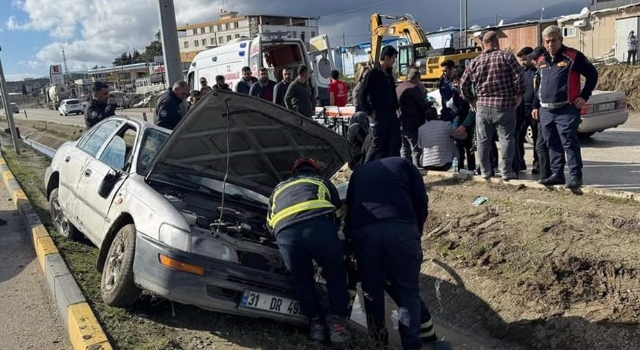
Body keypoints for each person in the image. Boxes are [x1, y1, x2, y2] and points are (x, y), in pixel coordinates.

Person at [344, 157, 450, 350]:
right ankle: (411, 345)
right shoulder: (404, 164)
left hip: (366, 233)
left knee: (372, 291)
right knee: (407, 291)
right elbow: (420, 199)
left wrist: (352, 242)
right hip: (402, 231)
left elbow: (350, 209)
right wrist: (415, 230)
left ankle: (377, 343)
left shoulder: (357, 173)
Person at [266, 158, 351, 345]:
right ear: (316, 170)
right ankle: (337, 326)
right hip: (319, 229)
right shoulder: (322, 182)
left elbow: (270, 222)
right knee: (335, 275)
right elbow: (337, 213)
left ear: (294, 172)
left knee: (302, 281)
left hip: (287, 235)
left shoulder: (279, 188)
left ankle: (316, 327)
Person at [531, 25, 598, 189]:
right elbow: (538, 84)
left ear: (561, 39)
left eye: (553, 40)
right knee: (551, 143)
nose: (550, 44)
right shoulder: (541, 60)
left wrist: (584, 96)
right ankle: (557, 174)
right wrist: (535, 105)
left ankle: (575, 176)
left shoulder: (573, 56)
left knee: (569, 142)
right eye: (547, 41)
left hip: (566, 109)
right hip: (545, 109)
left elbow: (592, 74)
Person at [460, 31, 525, 181]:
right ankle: (506, 171)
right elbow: (519, 76)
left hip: (482, 106)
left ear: (483, 44)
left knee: (483, 140)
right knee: (506, 139)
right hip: (505, 104)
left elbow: (463, 84)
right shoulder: (506, 57)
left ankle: (485, 171)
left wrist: (471, 100)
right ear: (497, 42)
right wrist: (518, 94)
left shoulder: (475, 61)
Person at [357, 45, 401, 163]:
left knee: (393, 144)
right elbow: (361, 95)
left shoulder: (389, 76)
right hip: (379, 116)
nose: (393, 62)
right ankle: (366, 170)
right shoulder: (372, 75)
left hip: (391, 116)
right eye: (393, 59)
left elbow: (392, 93)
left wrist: (397, 108)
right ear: (386, 57)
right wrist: (370, 112)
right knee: (377, 145)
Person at [514, 47, 541, 174]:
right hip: (521, 109)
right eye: (521, 60)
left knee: (537, 138)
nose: (523, 62)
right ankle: (520, 162)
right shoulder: (520, 72)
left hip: (535, 109)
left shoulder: (538, 71)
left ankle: (537, 164)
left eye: (525, 59)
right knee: (518, 137)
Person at [396, 67, 428, 167]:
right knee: (416, 149)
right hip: (413, 124)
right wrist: (429, 104)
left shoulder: (398, 87)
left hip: (399, 123)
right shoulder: (414, 88)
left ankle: (404, 170)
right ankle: (416, 170)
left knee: (404, 149)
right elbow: (421, 104)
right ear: (417, 78)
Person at [417, 107, 465, 171]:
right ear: (437, 115)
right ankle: (460, 168)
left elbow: (420, 145)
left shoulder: (421, 129)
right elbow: (463, 136)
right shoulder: (446, 125)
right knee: (458, 146)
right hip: (445, 164)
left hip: (426, 164)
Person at [449, 66, 476, 172]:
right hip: (460, 121)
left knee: (470, 147)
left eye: (456, 81)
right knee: (459, 147)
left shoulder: (470, 90)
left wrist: (465, 125)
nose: (455, 84)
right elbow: (459, 109)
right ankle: (460, 168)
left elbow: (472, 110)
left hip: (469, 123)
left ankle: (471, 168)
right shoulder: (457, 91)